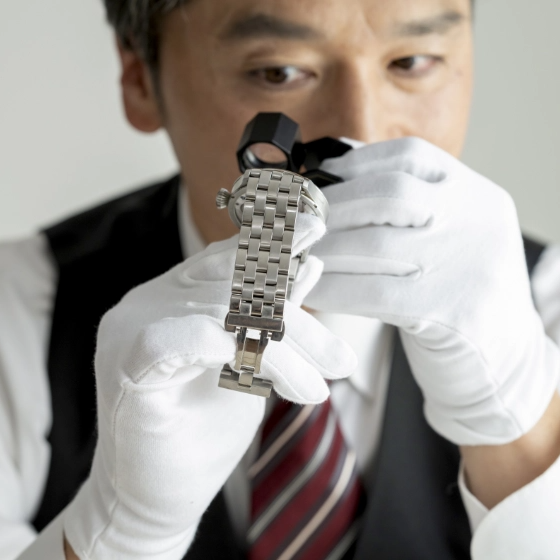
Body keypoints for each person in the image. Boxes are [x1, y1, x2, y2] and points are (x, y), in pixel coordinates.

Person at [2, 0, 560, 558]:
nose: (363, 136)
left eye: (411, 62)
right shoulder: (20, 310)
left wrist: (520, 436)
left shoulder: (549, 301)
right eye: (279, 72)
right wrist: (120, 535)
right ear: (139, 79)